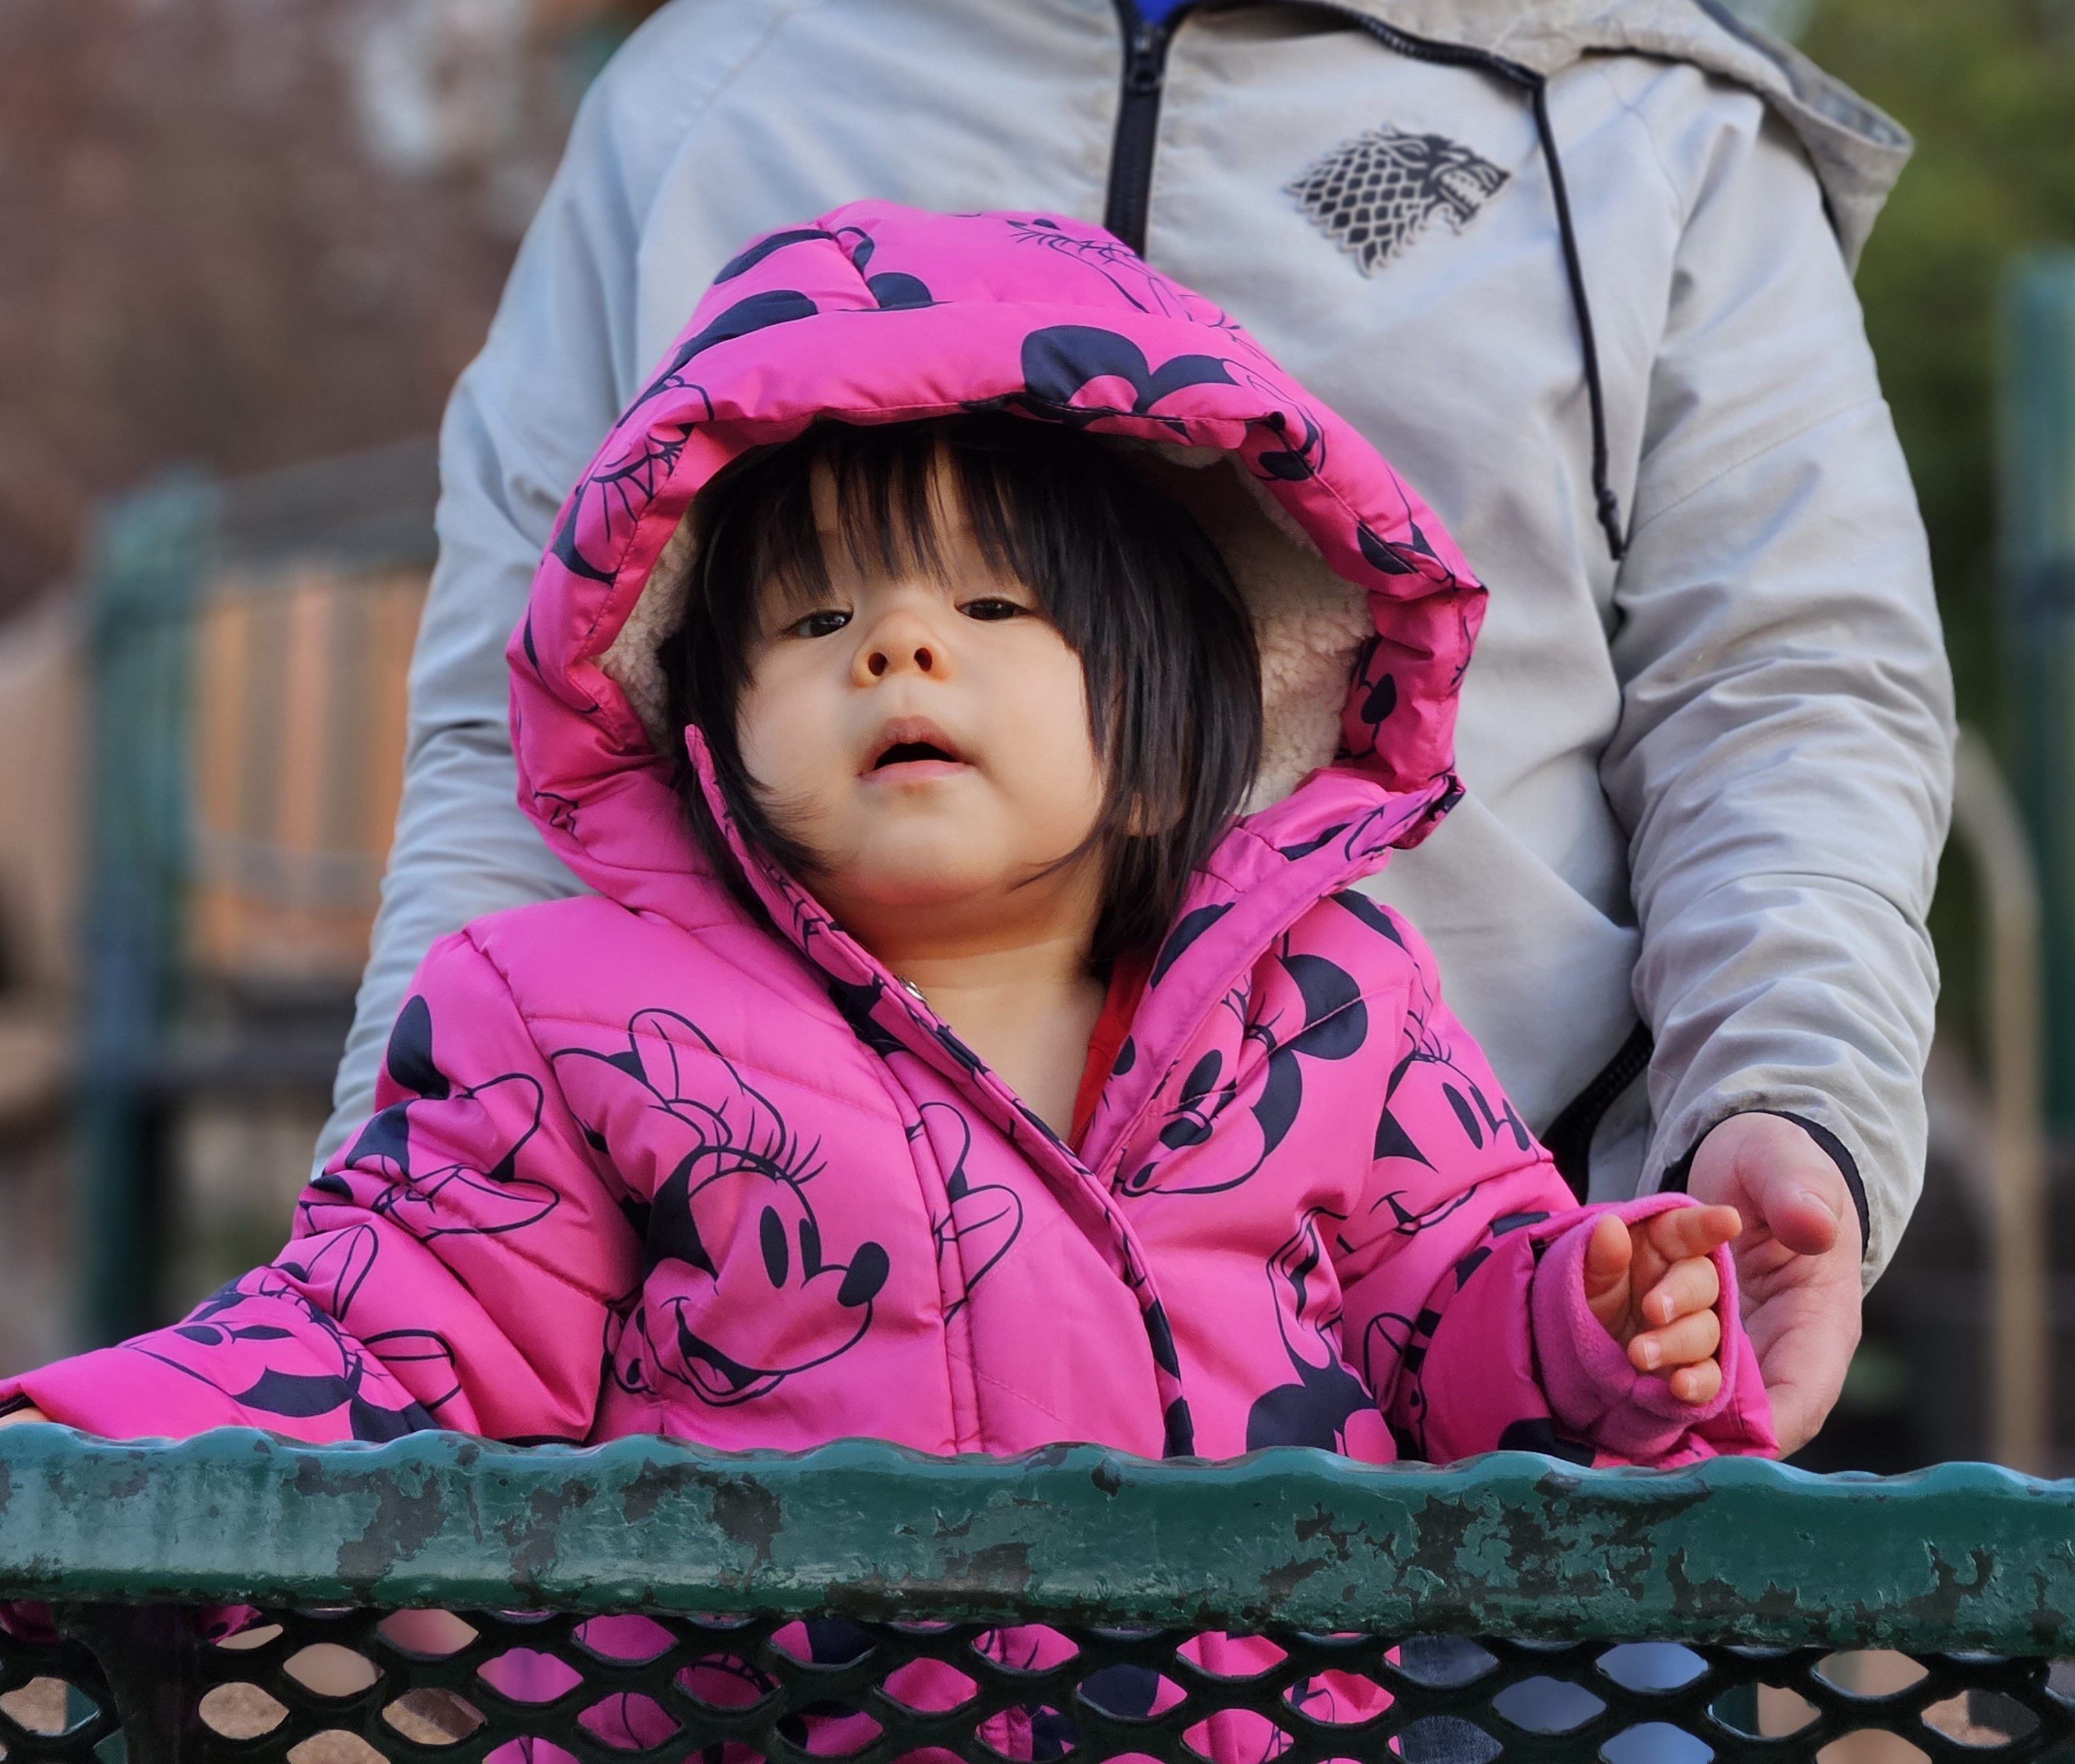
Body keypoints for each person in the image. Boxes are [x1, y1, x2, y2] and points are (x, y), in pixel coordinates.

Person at [324, 0, 1952, 1455]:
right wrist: (394, 1241)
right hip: (771, 1447)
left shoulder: (1650, 139)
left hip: (1491, 1411)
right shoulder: (718, 100)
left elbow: (1786, 684)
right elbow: (529, 727)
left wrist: (1779, 1115)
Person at [3, 206, 1771, 1469]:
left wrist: (1593, 1320)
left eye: (995, 604)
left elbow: (1451, 1301)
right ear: (706, 729)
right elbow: (395, 1324)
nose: (900, 648)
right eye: (814, 619)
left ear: (1166, 749)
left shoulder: (1330, 1006)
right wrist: (90, 1448)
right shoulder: (570, 1014)